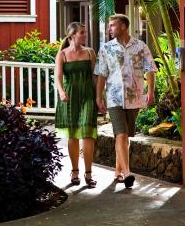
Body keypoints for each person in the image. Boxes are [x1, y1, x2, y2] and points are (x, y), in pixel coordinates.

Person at [94, 14, 157, 188]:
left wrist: (150, 92)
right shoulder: (106, 48)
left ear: (123, 26)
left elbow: (150, 69)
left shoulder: (140, 46)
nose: (110, 29)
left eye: (112, 25)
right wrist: (98, 97)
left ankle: (118, 171)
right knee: (121, 134)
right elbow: (101, 74)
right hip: (114, 98)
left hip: (134, 97)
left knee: (125, 136)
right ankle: (128, 173)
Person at [55, 22, 97, 188]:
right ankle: (74, 171)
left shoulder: (90, 53)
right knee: (73, 135)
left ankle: (88, 173)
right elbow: (57, 77)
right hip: (69, 96)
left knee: (88, 133)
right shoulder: (62, 55)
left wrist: (100, 98)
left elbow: (95, 78)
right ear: (72, 35)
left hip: (87, 95)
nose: (85, 35)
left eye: (85, 33)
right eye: (82, 33)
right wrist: (61, 92)